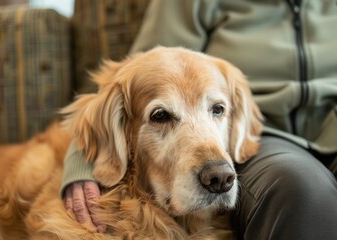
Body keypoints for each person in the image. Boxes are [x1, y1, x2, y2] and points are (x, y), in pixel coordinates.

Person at [61, 0, 337, 239]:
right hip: (270, 137)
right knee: (302, 187)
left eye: (216, 108)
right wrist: (84, 161)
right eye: (162, 116)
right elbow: (128, 79)